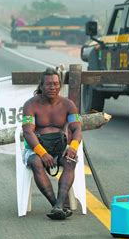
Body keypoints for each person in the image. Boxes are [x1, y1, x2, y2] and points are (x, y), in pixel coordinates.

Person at [21, 67, 83, 220]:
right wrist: (42, 153)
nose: (52, 87)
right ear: (41, 86)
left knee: (70, 160)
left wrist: (73, 148)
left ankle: (59, 205)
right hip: (37, 150)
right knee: (35, 161)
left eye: (55, 84)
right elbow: (28, 132)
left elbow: (77, 129)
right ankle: (56, 204)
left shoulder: (68, 105)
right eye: (48, 84)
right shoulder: (30, 105)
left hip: (59, 148)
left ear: (60, 85)